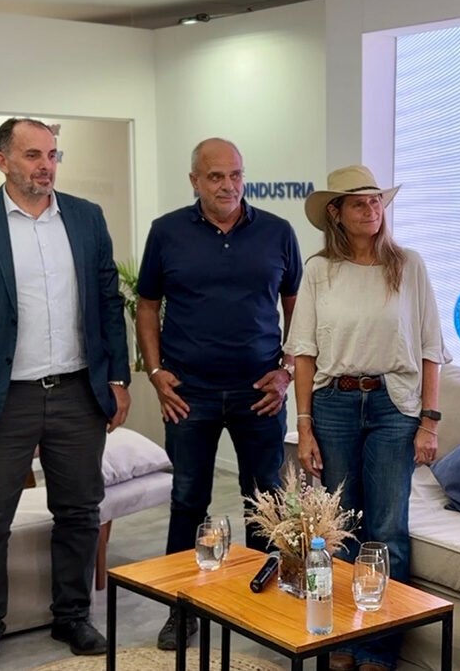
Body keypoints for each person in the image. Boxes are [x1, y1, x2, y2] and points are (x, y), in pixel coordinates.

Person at [0, 118, 131, 671]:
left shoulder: (86, 218)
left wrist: (118, 379)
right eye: (32, 155)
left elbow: (107, 303)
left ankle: (72, 616)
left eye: (51, 154)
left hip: (77, 392)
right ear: (2, 161)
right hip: (1, 399)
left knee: (79, 512)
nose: (46, 165)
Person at [136, 137, 302, 650]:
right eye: (215, 177)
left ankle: (263, 606)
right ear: (195, 181)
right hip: (189, 394)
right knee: (188, 500)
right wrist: (155, 371)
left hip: (260, 392)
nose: (228, 186)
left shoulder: (277, 231)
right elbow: (147, 305)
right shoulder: (166, 232)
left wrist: (287, 370)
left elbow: (297, 306)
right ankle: (182, 607)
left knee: (265, 502)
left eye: (236, 175)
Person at [285, 165, 450, 671]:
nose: (371, 210)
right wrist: (304, 427)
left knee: (386, 530)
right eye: (359, 203)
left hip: (393, 406)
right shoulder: (319, 271)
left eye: (376, 201)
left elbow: (430, 349)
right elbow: (304, 353)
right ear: (336, 212)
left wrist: (429, 422)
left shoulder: (409, 265)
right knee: (339, 530)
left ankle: (378, 647)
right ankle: (339, 638)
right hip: (333, 405)